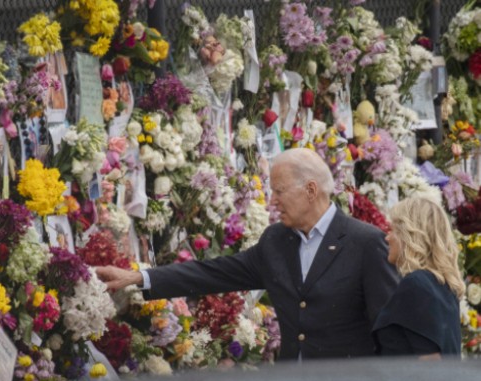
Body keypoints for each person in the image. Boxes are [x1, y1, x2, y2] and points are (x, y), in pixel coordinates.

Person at [96, 148, 399, 360]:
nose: (273, 201)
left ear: (310, 190)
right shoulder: (277, 241)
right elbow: (214, 273)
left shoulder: (365, 243)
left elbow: (390, 328)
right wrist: (138, 276)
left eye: (279, 191)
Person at [372, 197, 464, 358]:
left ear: (409, 235)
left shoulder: (416, 285)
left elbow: (430, 361)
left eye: (393, 230)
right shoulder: (442, 285)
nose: (387, 238)